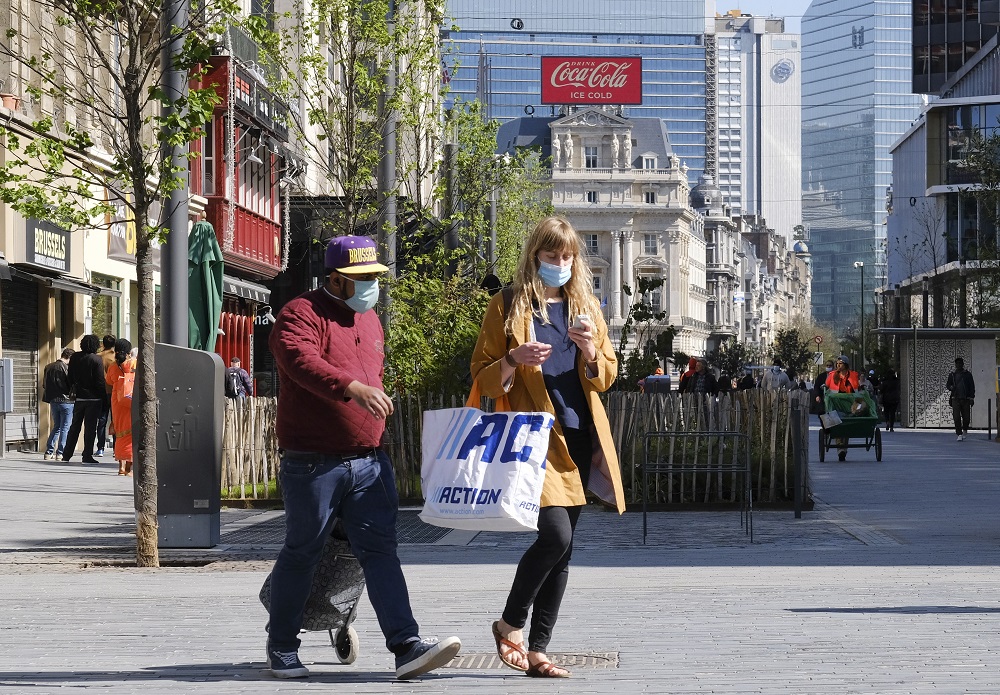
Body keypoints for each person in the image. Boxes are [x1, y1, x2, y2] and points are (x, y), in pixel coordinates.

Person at [266, 235, 461, 681]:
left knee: (381, 552)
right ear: (335, 279)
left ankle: (406, 646)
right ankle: (282, 646)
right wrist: (352, 389)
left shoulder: (370, 319)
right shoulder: (301, 313)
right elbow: (297, 359)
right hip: (313, 462)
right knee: (304, 550)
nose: (372, 284)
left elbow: (375, 370)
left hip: (370, 461)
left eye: (375, 276)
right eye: (362, 278)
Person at [470, 215, 625, 679]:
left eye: (567, 256)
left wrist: (591, 354)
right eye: (551, 255)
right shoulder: (510, 304)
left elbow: (609, 375)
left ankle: (539, 649)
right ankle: (510, 623)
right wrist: (512, 360)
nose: (560, 263)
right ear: (535, 255)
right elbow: (479, 374)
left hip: (580, 435)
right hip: (535, 438)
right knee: (555, 536)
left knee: (565, 547)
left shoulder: (585, 306)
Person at [61, 335, 106, 464]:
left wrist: (73, 389)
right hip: (94, 398)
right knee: (90, 428)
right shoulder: (96, 359)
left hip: (79, 397)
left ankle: (67, 454)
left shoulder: (75, 357)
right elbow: (99, 382)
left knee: (75, 426)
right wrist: (104, 399)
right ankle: (87, 455)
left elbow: (69, 377)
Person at [105, 339, 136, 476]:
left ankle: (121, 467)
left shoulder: (112, 366)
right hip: (131, 399)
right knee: (132, 433)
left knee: (120, 433)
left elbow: (109, 381)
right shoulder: (134, 364)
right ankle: (129, 468)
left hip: (117, 401)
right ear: (129, 351)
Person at [41, 347, 74, 460]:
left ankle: (49, 452)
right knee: (65, 427)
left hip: (53, 400)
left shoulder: (48, 367)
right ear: (69, 357)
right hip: (67, 401)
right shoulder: (67, 368)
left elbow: (44, 385)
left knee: (57, 426)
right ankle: (60, 452)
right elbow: (70, 385)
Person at [825, 355, 859, 461]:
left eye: (841, 363)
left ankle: (844, 449)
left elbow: (856, 389)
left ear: (846, 365)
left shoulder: (853, 375)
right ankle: (840, 449)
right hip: (836, 403)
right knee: (836, 424)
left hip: (849, 402)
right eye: (837, 363)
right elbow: (827, 387)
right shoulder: (832, 375)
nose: (838, 365)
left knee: (846, 424)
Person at [96, 334, 116, 457]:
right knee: (115, 420)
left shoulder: (98, 357)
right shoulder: (114, 358)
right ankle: (115, 448)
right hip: (113, 391)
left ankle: (100, 448)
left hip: (100, 391)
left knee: (102, 420)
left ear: (103, 343)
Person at [946, 357, 975, 441]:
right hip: (955, 398)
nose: (958, 365)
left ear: (962, 364)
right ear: (955, 365)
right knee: (956, 417)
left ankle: (965, 429)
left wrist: (972, 398)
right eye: (957, 363)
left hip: (965, 399)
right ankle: (959, 433)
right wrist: (951, 387)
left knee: (966, 418)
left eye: (960, 363)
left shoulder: (967, 374)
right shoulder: (952, 375)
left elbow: (971, 386)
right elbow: (948, 385)